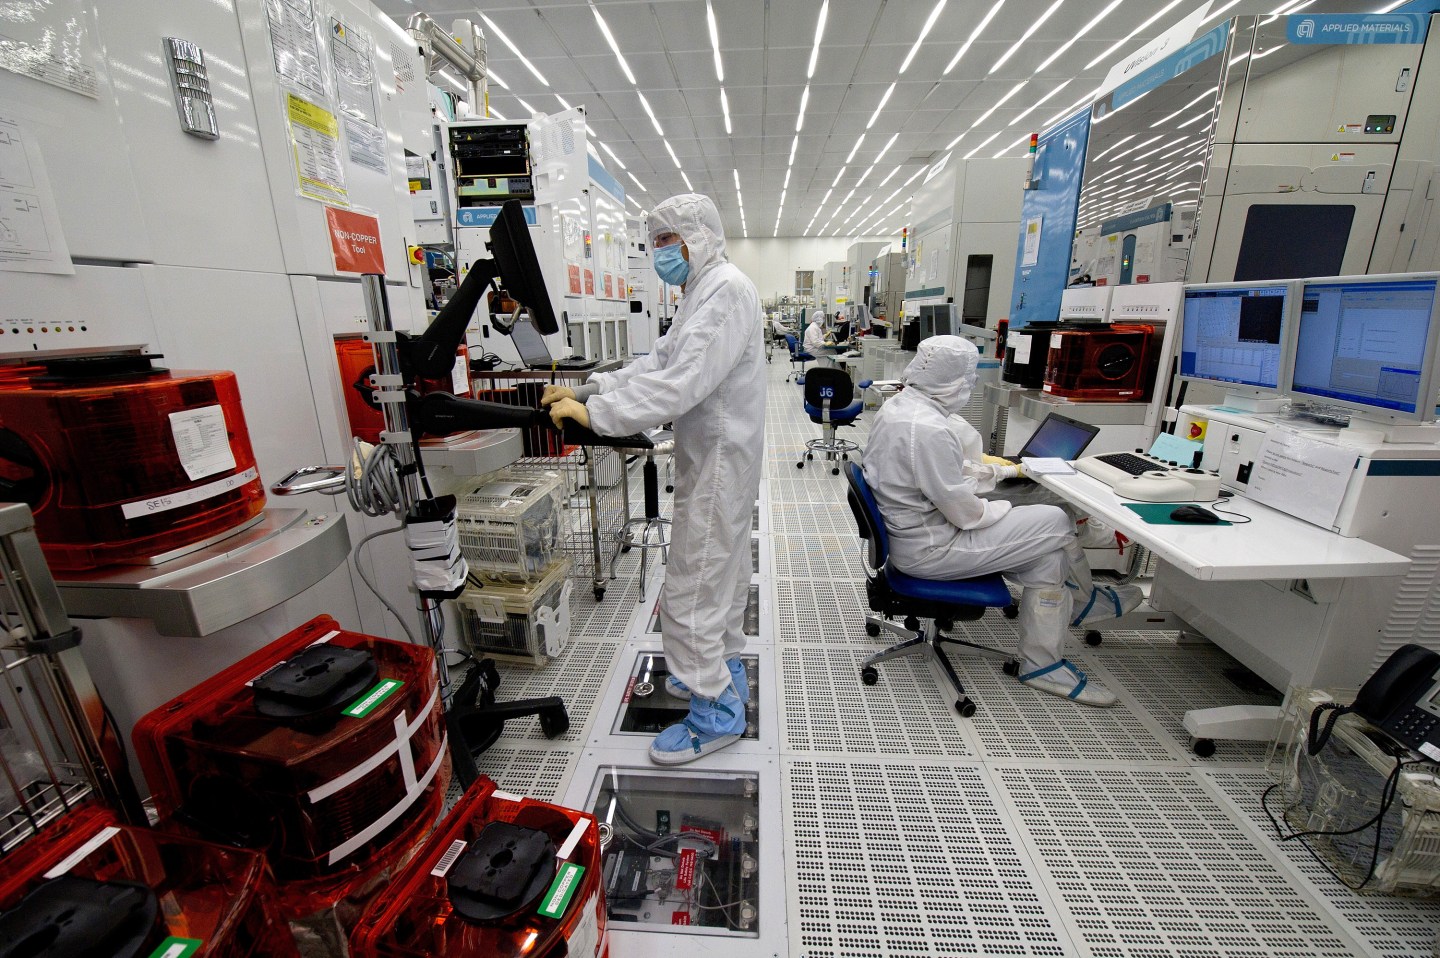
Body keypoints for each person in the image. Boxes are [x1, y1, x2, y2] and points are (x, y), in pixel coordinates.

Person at [544, 193, 765, 763]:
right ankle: (724, 671)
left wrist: (597, 415)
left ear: (700, 236)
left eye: (669, 239)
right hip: (714, 458)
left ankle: (715, 713)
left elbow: (680, 382)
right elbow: (658, 362)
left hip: (719, 463)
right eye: (656, 241)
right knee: (720, 578)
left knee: (693, 587)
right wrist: (592, 388)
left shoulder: (725, 291)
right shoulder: (701, 292)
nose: (660, 251)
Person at [862, 336, 1142, 707]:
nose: (970, 385)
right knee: (1056, 519)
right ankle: (1087, 603)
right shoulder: (928, 428)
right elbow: (966, 513)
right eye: (968, 378)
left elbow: (937, 474)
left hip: (914, 536)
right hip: (932, 549)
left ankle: (1042, 665)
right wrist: (1008, 505)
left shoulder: (902, 407)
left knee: (1048, 559)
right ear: (952, 380)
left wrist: (1003, 474)